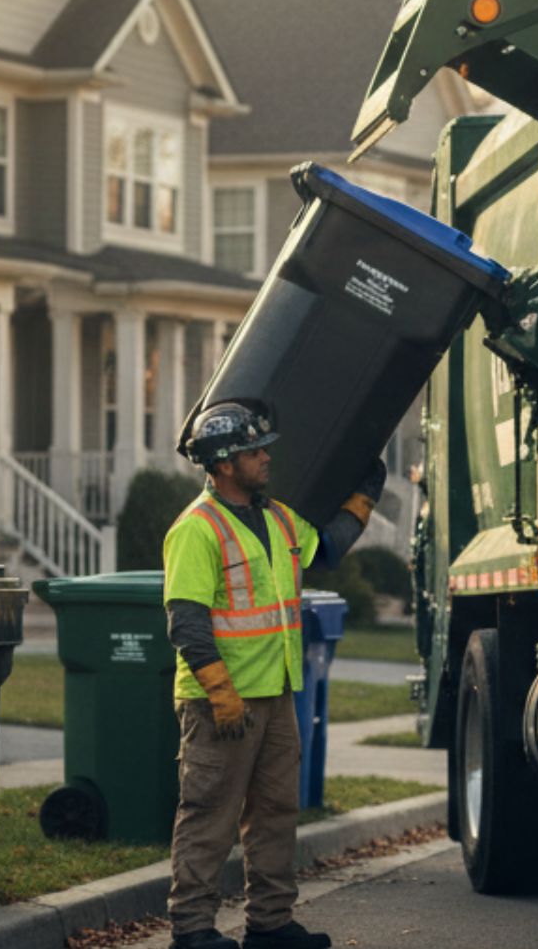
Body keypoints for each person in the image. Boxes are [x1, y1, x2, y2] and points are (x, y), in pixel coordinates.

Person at [164, 400, 385, 949]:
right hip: (222, 701)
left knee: (275, 814)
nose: (265, 457)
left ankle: (270, 924)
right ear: (222, 463)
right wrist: (220, 691)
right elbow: (186, 621)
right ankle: (191, 931)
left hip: (276, 697)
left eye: (263, 447)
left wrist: (368, 491)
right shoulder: (196, 529)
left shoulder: (279, 518)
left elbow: (329, 545)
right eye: (252, 450)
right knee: (209, 815)